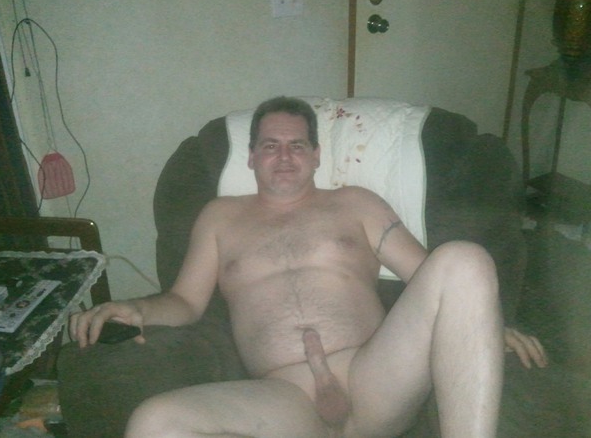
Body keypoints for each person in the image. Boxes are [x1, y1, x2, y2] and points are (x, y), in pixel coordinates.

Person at [71, 96, 547, 437]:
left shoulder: (356, 203)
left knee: (464, 257)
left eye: (297, 145)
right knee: (153, 423)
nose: (284, 156)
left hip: (374, 376)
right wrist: (138, 309)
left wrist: (486, 323)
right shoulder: (219, 218)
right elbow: (186, 302)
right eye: (270, 145)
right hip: (286, 398)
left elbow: (434, 278)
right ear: (252, 156)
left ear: (316, 155)